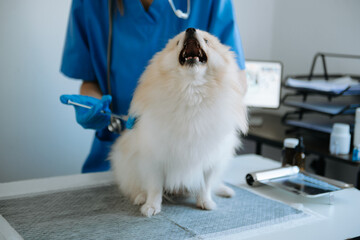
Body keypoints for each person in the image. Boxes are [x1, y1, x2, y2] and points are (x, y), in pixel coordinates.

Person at [60, 0, 246, 173]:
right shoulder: (90, 4)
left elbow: (236, 80)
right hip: (116, 151)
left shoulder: (211, 3)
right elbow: (89, 82)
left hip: (189, 162)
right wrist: (93, 106)